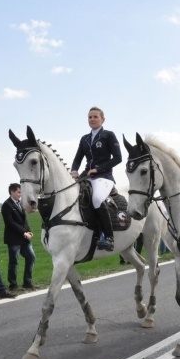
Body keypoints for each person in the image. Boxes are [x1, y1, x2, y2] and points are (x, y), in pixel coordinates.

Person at [70, 106, 122, 251]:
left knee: (97, 199)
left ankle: (109, 237)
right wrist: (74, 170)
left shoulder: (109, 135)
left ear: (102, 119)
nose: (92, 119)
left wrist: (98, 169)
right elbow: (78, 158)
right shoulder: (84, 139)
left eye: (95, 117)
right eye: (90, 117)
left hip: (104, 176)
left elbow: (118, 158)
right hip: (87, 176)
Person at [2, 183, 35, 290]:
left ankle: (27, 282)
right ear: (12, 192)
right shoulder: (7, 205)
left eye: (21, 192)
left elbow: (24, 220)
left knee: (31, 257)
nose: (20, 194)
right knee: (14, 262)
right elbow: (10, 223)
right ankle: (13, 285)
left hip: (24, 237)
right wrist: (23, 232)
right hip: (14, 238)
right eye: (18, 192)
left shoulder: (20, 203)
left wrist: (29, 231)